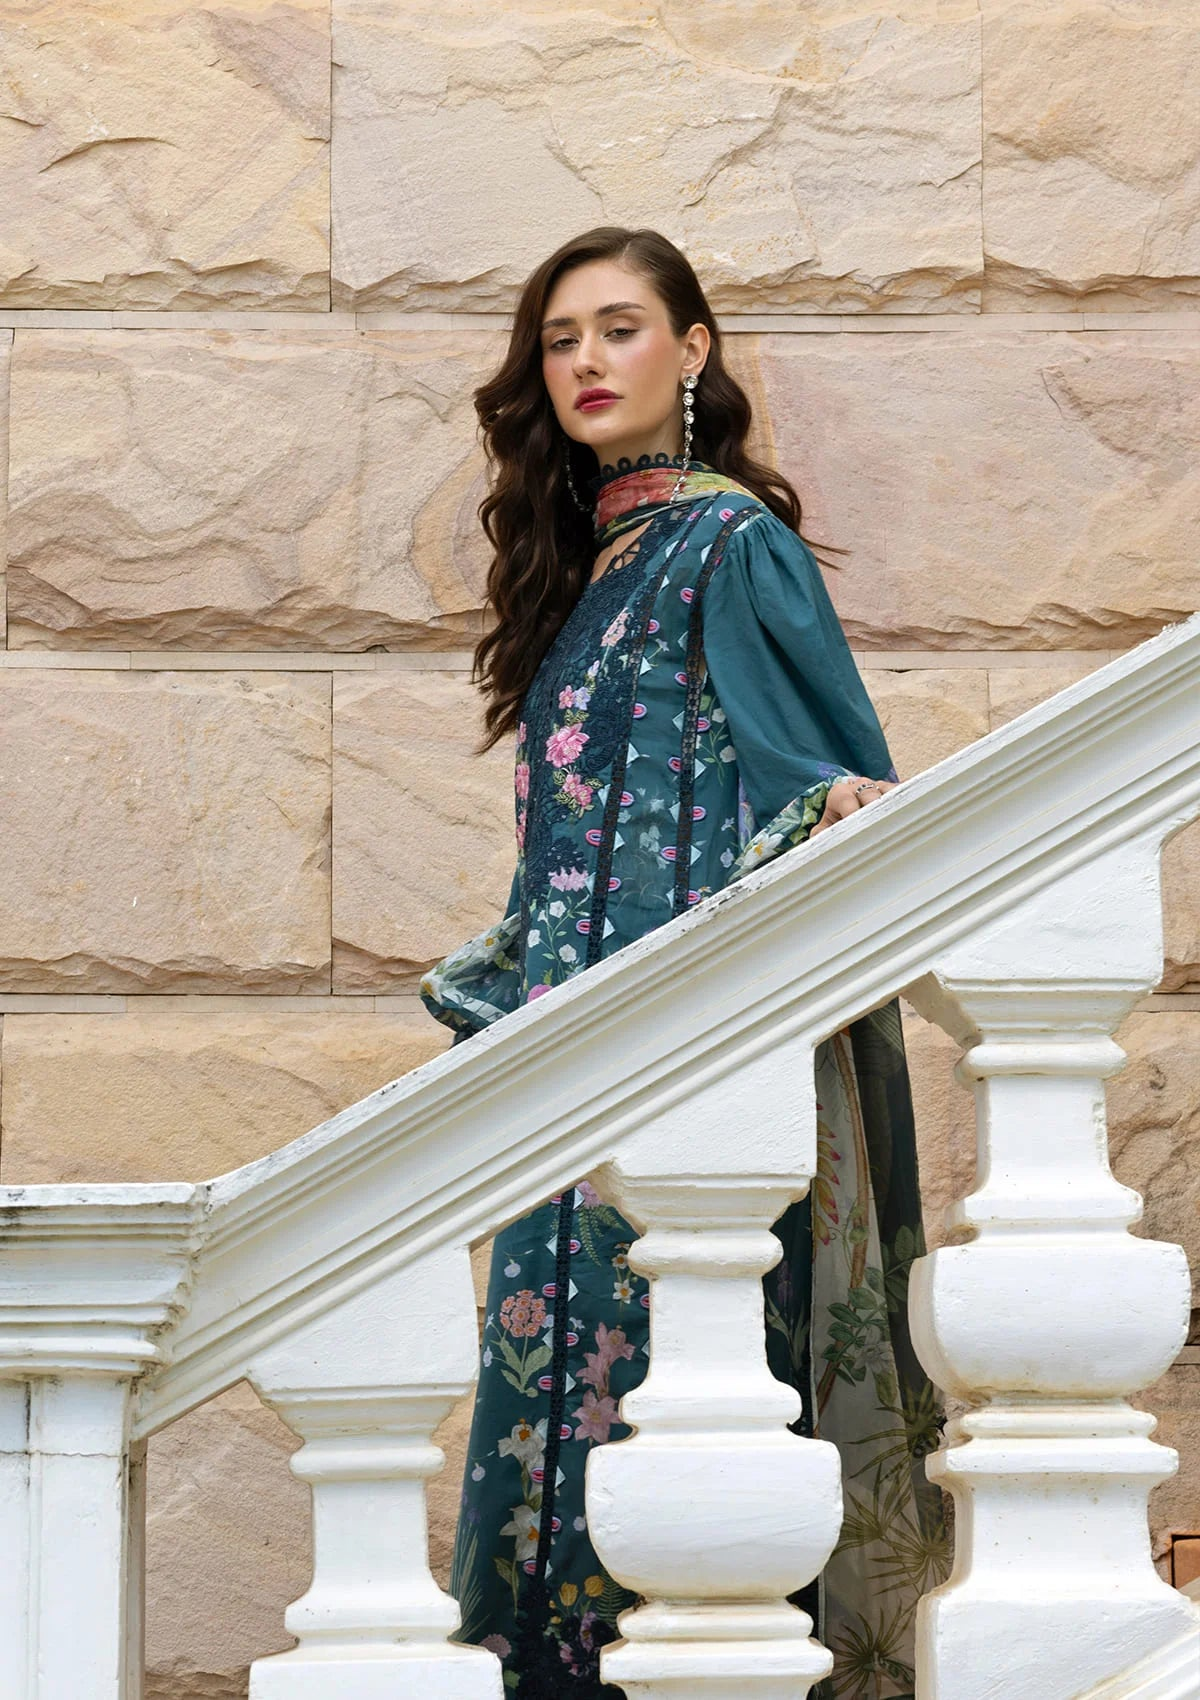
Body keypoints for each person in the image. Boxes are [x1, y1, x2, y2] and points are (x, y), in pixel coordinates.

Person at [420, 226, 949, 1700]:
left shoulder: (732, 546)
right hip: (578, 1061)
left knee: (681, 1380)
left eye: (621, 328)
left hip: (687, 1058)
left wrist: (829, 808)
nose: (587, 361)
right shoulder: (593, 567)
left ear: (693, 350)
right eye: (560, 340)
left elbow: (817, 778)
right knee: (561, 1394)